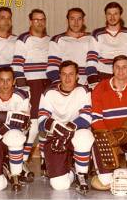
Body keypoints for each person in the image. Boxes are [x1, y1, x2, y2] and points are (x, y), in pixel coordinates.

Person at [38, 60, 93, 194]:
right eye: (64, 74)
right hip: (56, 137)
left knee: (85, 135)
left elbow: (87, 117)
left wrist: (67, 128)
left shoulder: (83, 90)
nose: (67, 78)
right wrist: (58, 129)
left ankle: (82, 174)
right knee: (59, 186)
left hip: (75, 133)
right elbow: (41, 122)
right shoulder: (48, 92)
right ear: (59, 76)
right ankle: (72, 171)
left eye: (71, 74)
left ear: (77, 76)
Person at [89, 55, 127, 191]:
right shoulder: (100, 88)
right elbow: (95, 120)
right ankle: (100, 174)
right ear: (112, 69)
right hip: (107, 135)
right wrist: (109, 136)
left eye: (124, 67)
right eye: (117, 67)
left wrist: (126, 133)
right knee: (105, 183)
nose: (120, 70)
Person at [11, 8, 51, 180]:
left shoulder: (50, 40)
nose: (39, 23)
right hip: (31, 85)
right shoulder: (23, 39)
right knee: (33, 126)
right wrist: (23, 87)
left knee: (46, 125)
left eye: (42, 19)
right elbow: (17, 65)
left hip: (47, 84)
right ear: (30, 21)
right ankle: (22, 162)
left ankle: (44, 161)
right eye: (36, 20)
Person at [86, 2, 127, 89]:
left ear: (120, 15)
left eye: (115, 14)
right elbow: (91, 61)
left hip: (125, 76)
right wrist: (93, 82)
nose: (112, 17)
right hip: (103, 76)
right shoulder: (97, 34)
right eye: (109, 14)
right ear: (105, 15)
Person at [46, 8, 91, 86]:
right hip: (66, 85)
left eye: (79, 19)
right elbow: (52, 68)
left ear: (83, 21)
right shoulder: (57, 40)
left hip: (89, 85)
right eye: (72, 19)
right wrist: (62, 86)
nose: (76, 23)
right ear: (67, 21)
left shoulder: (91, 38)